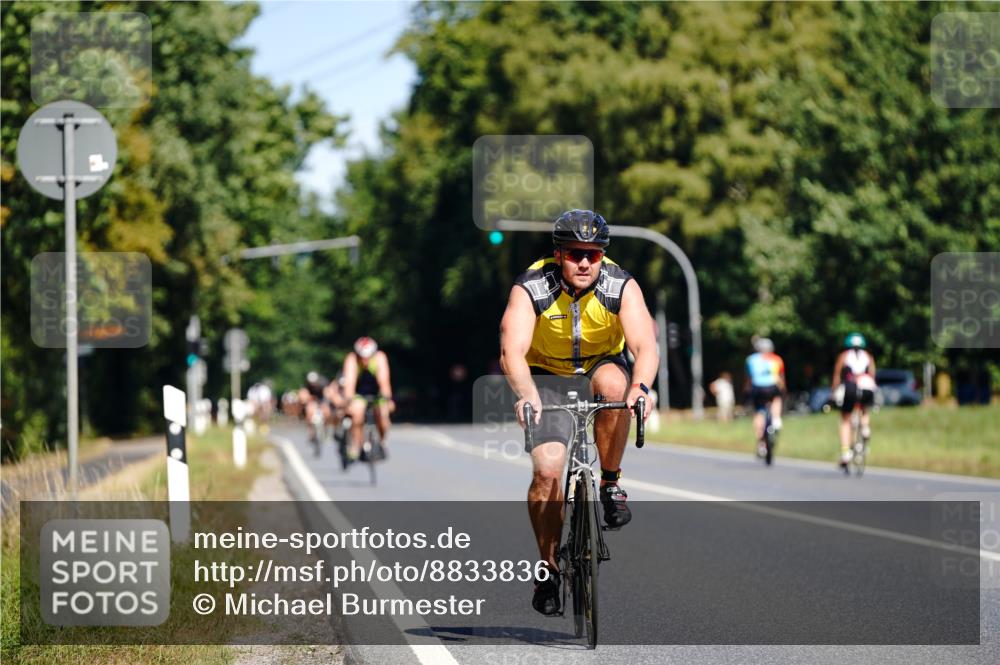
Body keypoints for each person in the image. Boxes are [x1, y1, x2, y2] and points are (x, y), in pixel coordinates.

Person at [499, 209, 658, 616]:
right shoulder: (532, 286)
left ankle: (610, 482)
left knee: (616, 388)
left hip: (600, 364)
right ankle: (548, 566)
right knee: (548, 472)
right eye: (575, 254)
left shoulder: (620, 284)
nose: (585, 262)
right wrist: (526, 394)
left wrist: (642, 386)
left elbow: (645, 345)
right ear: (558, 255)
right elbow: (511, 351)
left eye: (593, 253)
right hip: (546, 375)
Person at [341, 336, 395, 462]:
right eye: (362, 356)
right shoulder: (352, 359)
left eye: (368, 356)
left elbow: (384, 380)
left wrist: (387, 398)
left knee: (383, 417)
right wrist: (348, 401)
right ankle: (357, 444)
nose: (365, 360)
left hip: (376, 392)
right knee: (357, 415)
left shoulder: (380, 358)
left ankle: (382, 441)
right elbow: (349, 382)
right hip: (359, 393)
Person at [831, 332, 877, 470]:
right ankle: (865, 428)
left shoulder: (844, 356)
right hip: (867, 385)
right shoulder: (868, 357)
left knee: (845, 419)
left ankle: (845, 452)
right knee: (864, 409)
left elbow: (837, 376)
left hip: (851, 386)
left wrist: (834, 391)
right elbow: (872, 374)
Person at [745, 337, 785, 457]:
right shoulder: (776, 359)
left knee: (759, 413)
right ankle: (776, 419)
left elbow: (749, 378)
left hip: (757, 388)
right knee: (777, 399)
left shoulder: (750, 360)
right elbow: (780, 378)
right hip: (772, 386)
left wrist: (747, 391)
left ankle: (761, 444)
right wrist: (783, 391)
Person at [299, 371, 330, 446]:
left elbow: (327, 394)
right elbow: (303, 395)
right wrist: (305, 399)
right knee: (309, 412)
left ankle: (326, 430)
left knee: (326, 412)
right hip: (312, 401)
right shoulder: (306, 386)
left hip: (322, 400)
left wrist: (324, 403)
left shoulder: (323, 384)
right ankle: (310, 431)